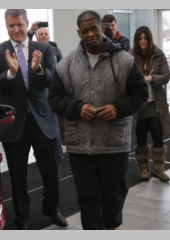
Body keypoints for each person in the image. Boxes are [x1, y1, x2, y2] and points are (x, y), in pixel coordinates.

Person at [49, 10, 148, 230]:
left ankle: (113, 228)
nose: (91, 33)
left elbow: (141, 94)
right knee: (88, 198)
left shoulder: (124, 60)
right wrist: (76, 108)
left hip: (114, 142)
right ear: (79, 33)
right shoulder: (65, 65)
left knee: (113, 196)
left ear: (102, 27)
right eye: (86, 30)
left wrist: (117, 108)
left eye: (94, 28)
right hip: (81, 146)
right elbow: (54, 99)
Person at [0, 9, 67, 230]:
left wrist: (39, 70)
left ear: (27, 23)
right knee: (18, 177)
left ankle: (52, 209)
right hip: (14, 124)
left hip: (43, 121)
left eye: (20, 25)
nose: (16, 30)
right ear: (6, 26)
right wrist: (10, 74)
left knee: (52, 171)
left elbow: (55, 82)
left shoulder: (44, 48)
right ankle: (22, 217)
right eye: (11, 26)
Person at [129, 26, 170, 182]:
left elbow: (166, 76)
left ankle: (159, 169)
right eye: (140, 38)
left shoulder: (158, 54)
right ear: (137, 40)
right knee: (140, 136)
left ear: (150, 39)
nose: (143, 41)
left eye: (145, 38)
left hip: (155, 103)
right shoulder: (130, 55)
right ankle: (144, 168)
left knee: (157, 134)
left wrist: (153, 79)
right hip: (139, 104)